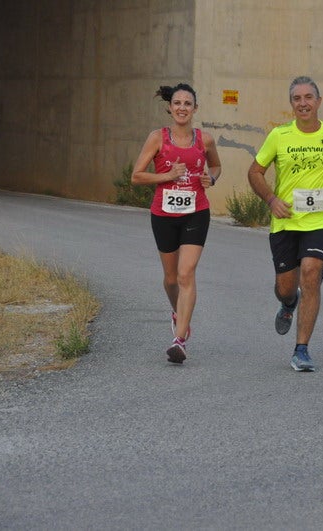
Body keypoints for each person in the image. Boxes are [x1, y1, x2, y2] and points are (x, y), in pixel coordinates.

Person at [247, 76, 323, 372]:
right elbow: (255, 171)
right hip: (285, 221)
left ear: (319, 102)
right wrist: (271, 200)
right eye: (297, 98)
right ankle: (287, 303)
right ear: (292, 104)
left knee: (311, 272)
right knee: (286, 287)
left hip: (320, 219)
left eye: (309, 97)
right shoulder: (279, 136)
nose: (303, 103)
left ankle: (302, 349)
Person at [131, 83, 222, 363]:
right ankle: (178, 313)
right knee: (171, 279)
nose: (182, 108)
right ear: (170, 108)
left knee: (186, 273)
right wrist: (167, 176)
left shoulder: (204, 140)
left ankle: (179, 340)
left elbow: (215, 166)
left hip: (196, 211)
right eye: (178, 103)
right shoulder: (157, 138)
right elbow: (137, 176)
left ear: (195, 109)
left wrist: (212, 178)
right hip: (163, 215)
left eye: (188, 103)